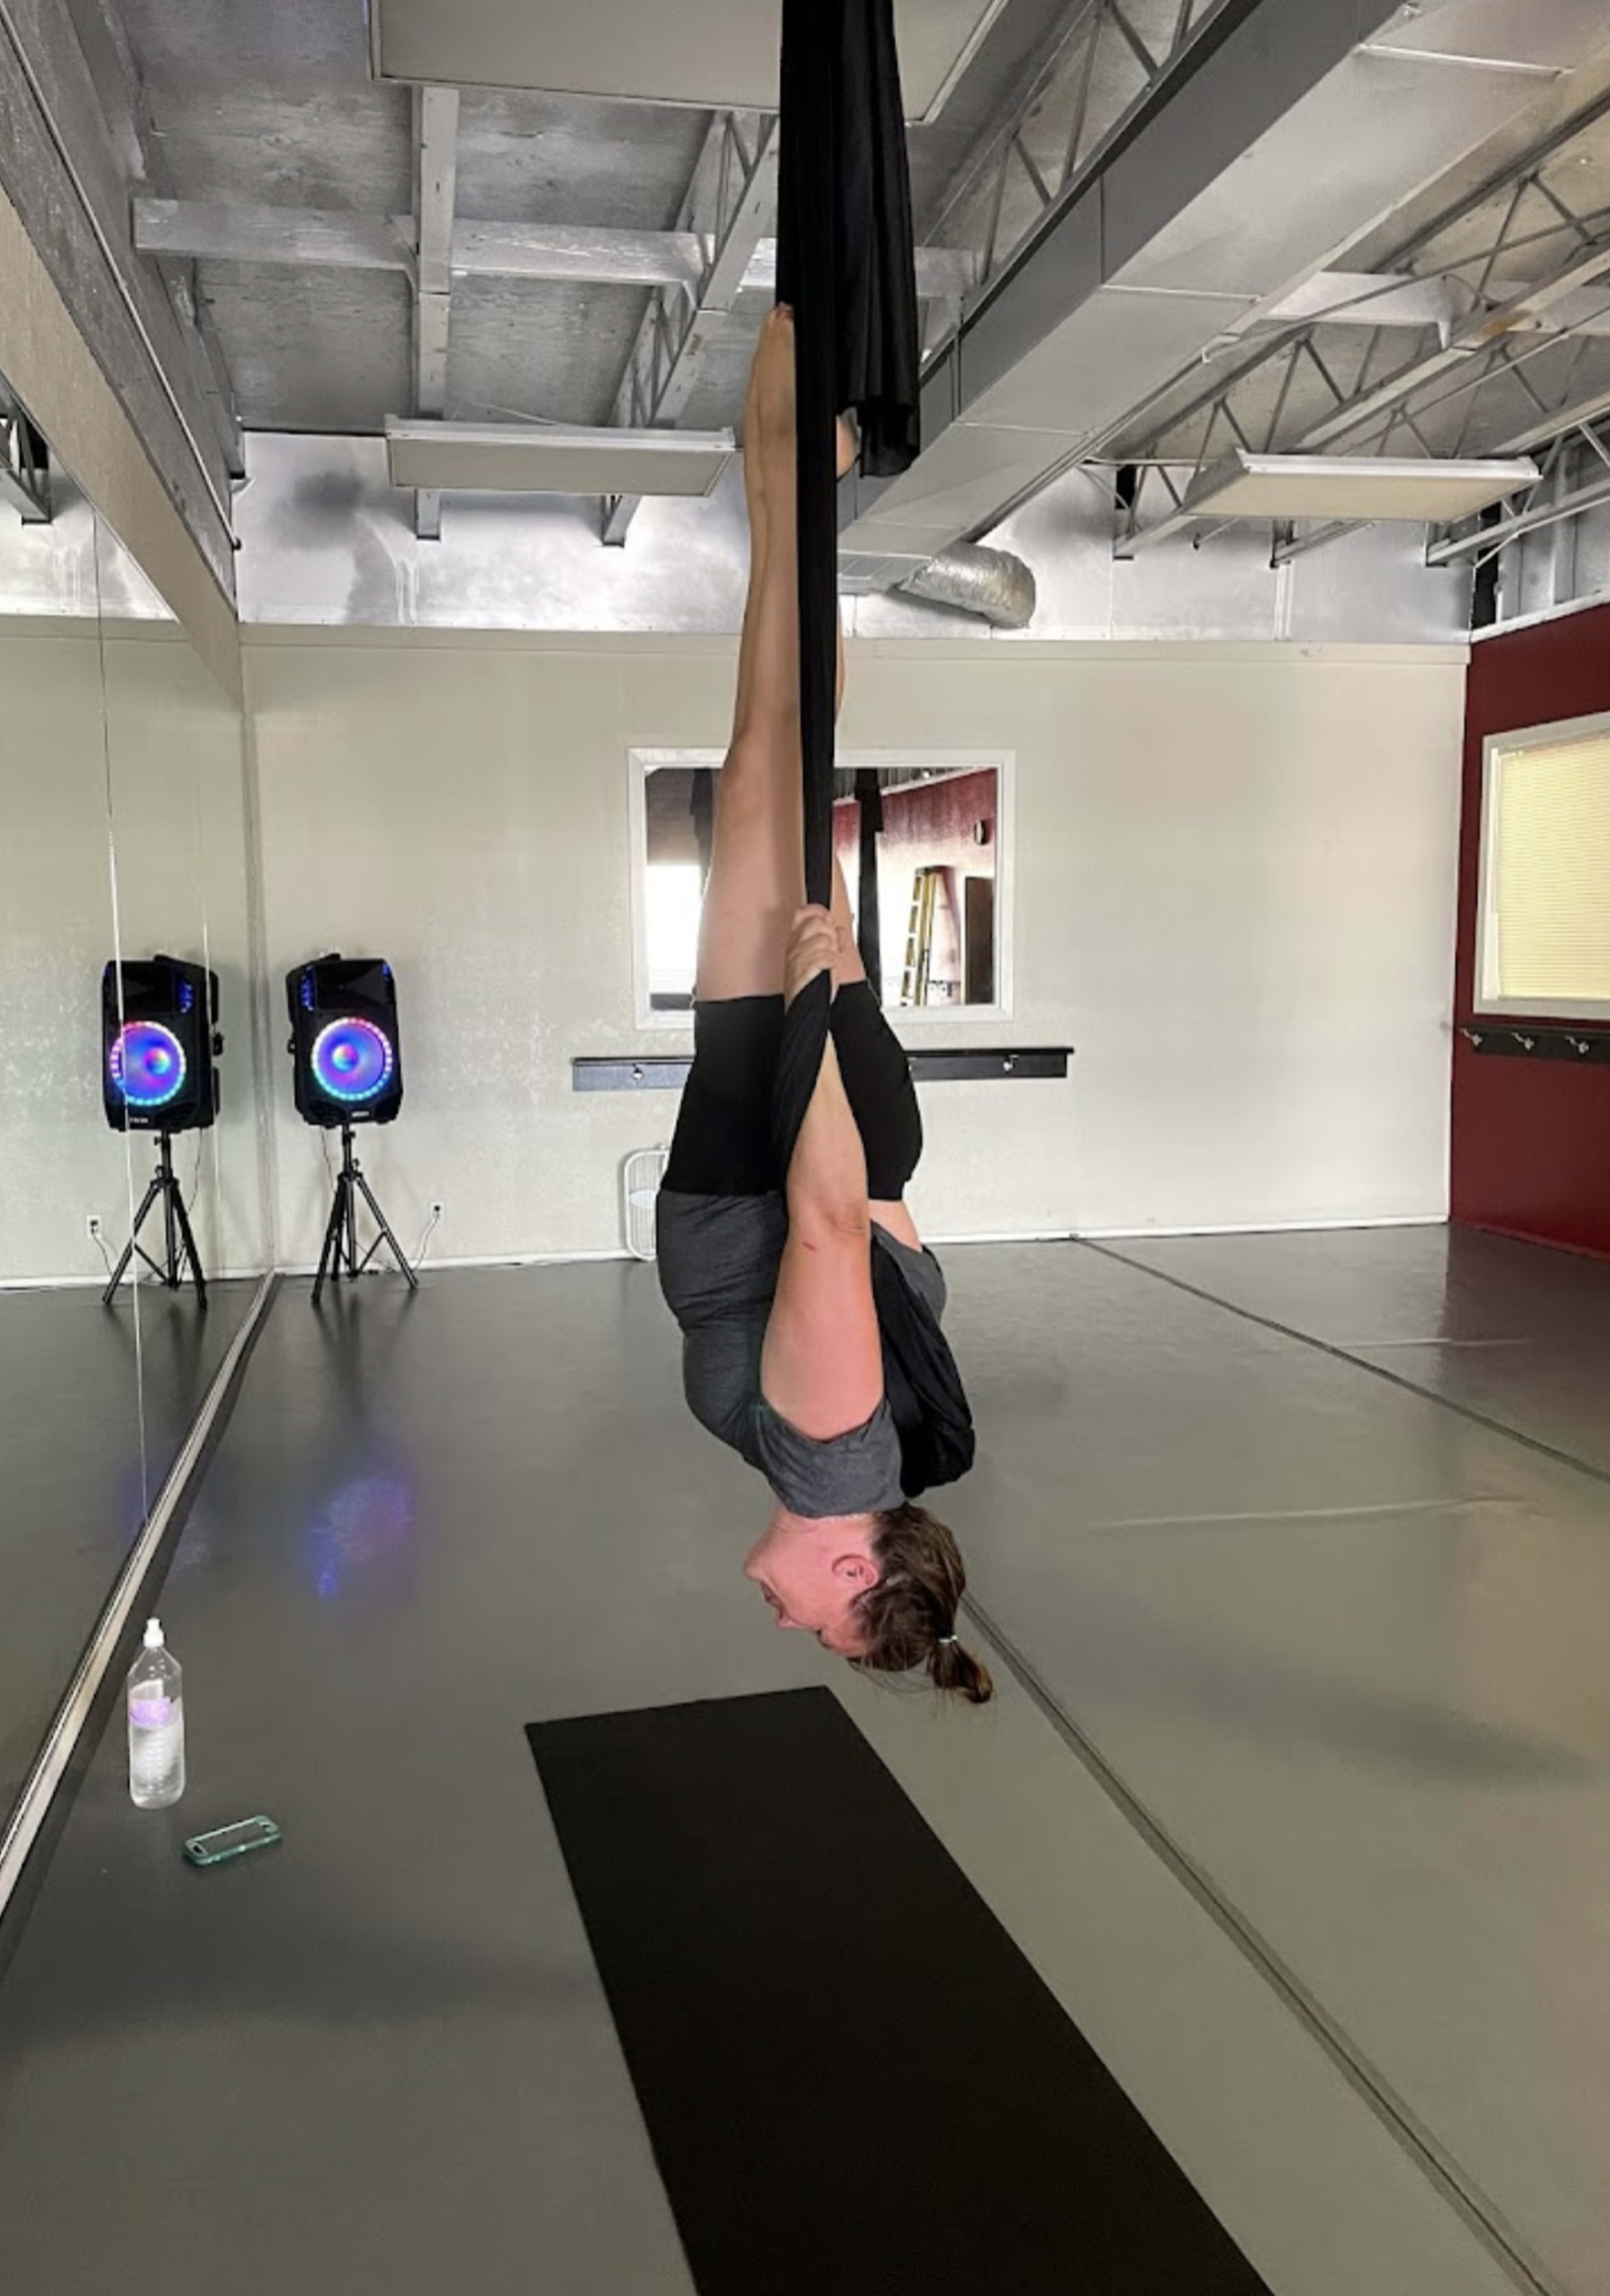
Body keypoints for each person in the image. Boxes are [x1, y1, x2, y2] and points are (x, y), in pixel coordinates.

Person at [656, 308, 993, 1706]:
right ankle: (796, 478)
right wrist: (828, 1007)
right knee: (763, 761)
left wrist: (846, 1024)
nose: (788, 1619)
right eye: (821, 1625)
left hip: (784, 1118)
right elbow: (835, 1221)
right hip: (764, 1125)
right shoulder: (834, 1451)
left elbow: (901, 1233)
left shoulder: (886, 1453)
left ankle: (801, 491)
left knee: (773, 753)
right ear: (856, 1572)